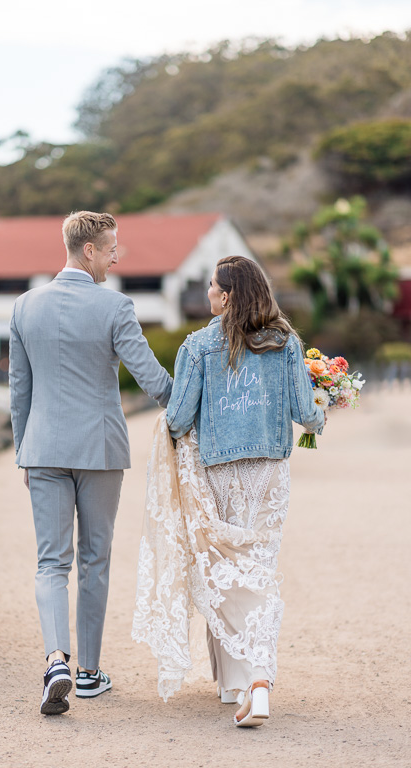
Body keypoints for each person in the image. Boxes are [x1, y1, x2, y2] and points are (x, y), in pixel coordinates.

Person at [132, 255, 324, 727]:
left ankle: (252, 681)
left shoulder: (197, 347)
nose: (209, 293)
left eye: (214, 287)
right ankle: (238, 683)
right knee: (256, 565)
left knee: (225, 569)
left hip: (219, 471)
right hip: (270, 473)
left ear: (230, 294)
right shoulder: (286, 342)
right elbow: (306, 411)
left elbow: (177, 418)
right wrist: (325, 409)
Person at [9, 211, 172, 716]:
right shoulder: (114, 306)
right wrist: (201, 399)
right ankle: (88, 674)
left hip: (43, 449)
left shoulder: (23, 307)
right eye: (111, 248)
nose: (117, 257)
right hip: (100, 449)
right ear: (89, 252)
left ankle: (56, 658)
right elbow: (155, 382)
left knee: (50, 561)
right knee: (95, 558)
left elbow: (20, 392)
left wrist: (26, 451)